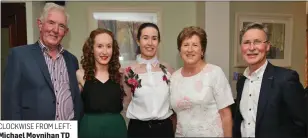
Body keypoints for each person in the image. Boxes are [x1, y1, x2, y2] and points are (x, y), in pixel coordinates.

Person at [1, 3, 82, 120]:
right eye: (51, 23)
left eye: (61, 26)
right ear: (40, 24)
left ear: (66, 31)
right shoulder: (19, 56)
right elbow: (10, 103)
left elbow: (75, 99)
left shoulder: (72, 60)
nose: (55, 30)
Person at [233, 22, 307, 137]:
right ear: (241, 47)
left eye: (257, 42)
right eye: (247, 42)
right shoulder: (242, 82)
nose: (251, 48)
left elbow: (302, 124)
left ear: (267, 46)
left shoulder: (286, 79)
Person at [169, 26, 234, 137]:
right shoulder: (174, 77)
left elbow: (226, 115)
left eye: (195, 45)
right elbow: (174, 116)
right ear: (180, 50)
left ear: (202, 51)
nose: (190, 50)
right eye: (185, 45)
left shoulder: (215, 73)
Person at [123, 22, 175, 137]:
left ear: (158, 42)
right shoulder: (128, 71)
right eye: (145, 38)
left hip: (164, 129)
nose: (150, 43)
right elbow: (126, 104)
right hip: (138, 130)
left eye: (154, 38)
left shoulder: (168, 69)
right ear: (138, 41)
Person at [77, 28, 127, 138]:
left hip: (116, 128)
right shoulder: (80, 75)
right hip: (89, 129)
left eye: (109, 46)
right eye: (100, 46)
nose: (105, 51)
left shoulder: (120, 75)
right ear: (91, 49)